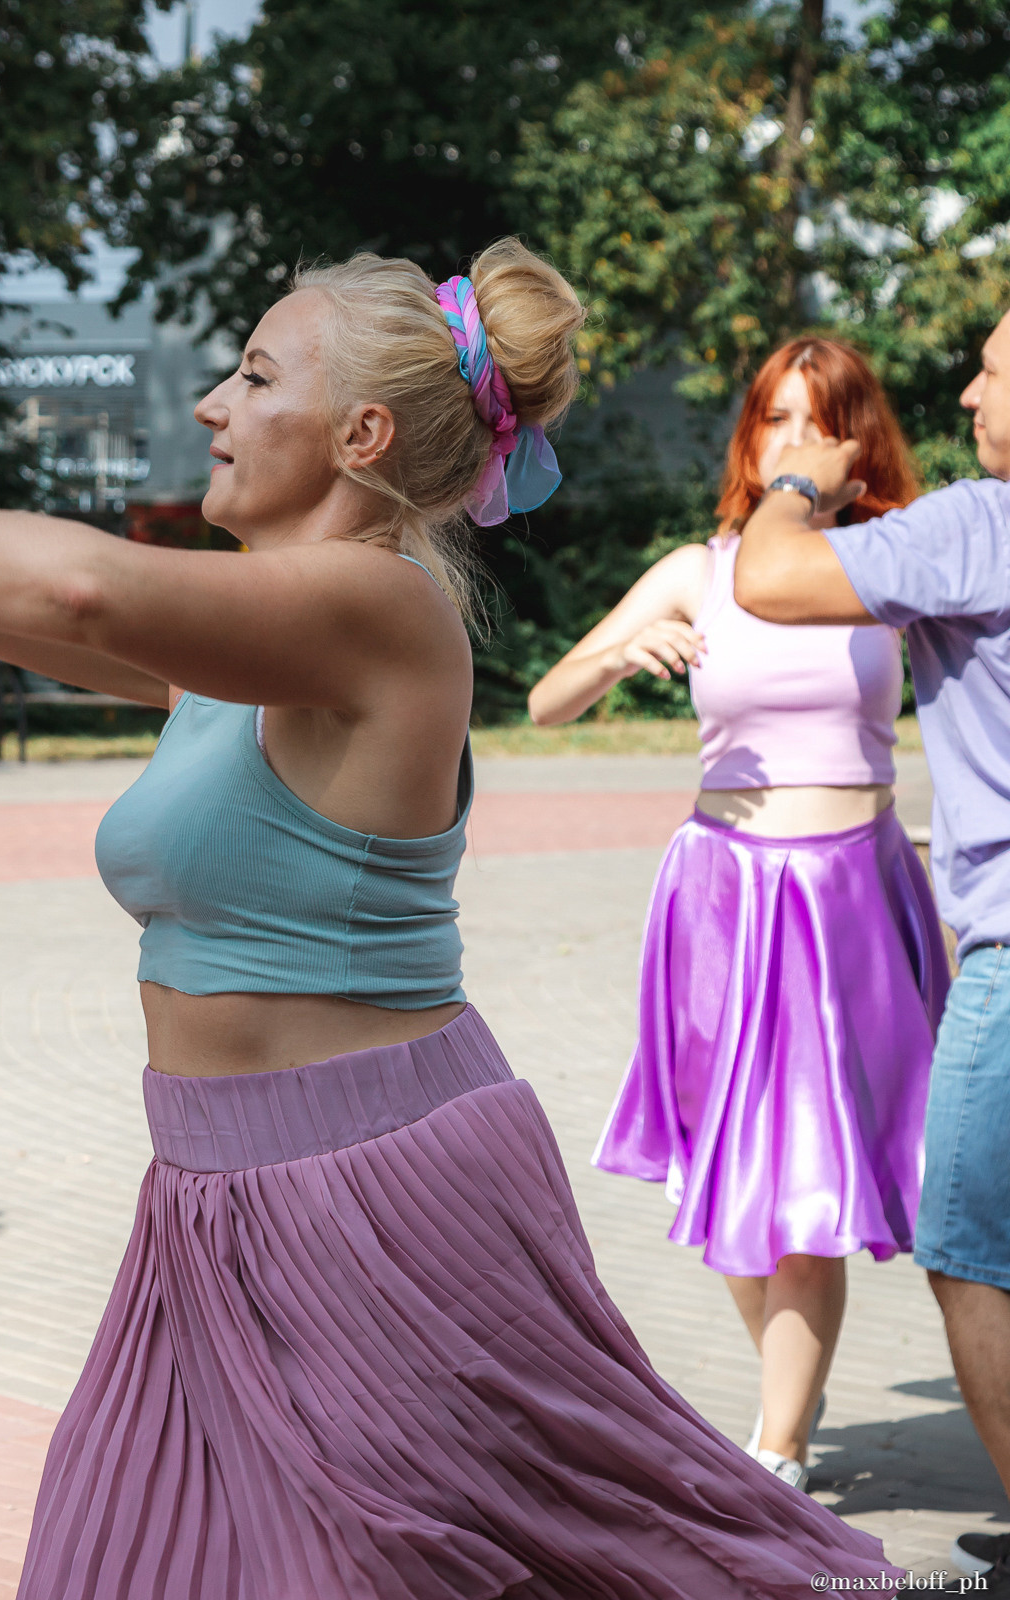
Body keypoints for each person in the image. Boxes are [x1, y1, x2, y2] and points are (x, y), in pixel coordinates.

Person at [0, 243, 900, 1593]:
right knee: (132, 1555)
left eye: (253, 375)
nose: (211, 406)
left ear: (361, 434)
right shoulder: (249, 645)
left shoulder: (378, 603)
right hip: (213, 1199)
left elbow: (80, 587)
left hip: (366, 1199)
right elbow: (16, 618)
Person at [526, 337, 946, 1490]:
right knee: (734, 1182)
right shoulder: (696, 569)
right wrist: (623, 652)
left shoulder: (890, 563)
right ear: (748, 440)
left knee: (809, 1185)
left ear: (861, 445)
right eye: (775, 419)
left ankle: (779, 1449)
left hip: (847, 901)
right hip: (720, 903)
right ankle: (786, 1403)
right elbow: (547, 701)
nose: (794, 444)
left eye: (821, 422)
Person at [733, 306, 1010, 1579]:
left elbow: (768, 577)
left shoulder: (977, 527)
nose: (968, 394)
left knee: (970, 1247)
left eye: (992, 372)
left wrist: (798, 485)